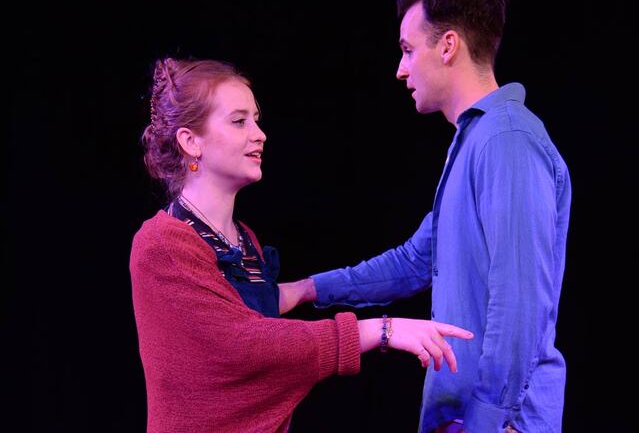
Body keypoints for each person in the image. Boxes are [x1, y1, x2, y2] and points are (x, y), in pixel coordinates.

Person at [279, 0, 572, 432]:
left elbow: (519, 303)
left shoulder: (507, 140)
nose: (400, 69)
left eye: (408, 50)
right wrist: (306, 289)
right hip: (464, 416)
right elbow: (416, 260)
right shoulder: (474, 142)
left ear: (448, 45)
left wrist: (489, 421)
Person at [129, 57, 474, 433]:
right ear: (190, 141)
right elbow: (241, 345)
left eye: (256, 119)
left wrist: (299, 291)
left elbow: (239, 317)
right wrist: (378, 330)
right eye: (239, 121)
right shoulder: (162, 244)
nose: (260, 134)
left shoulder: (244, 242)